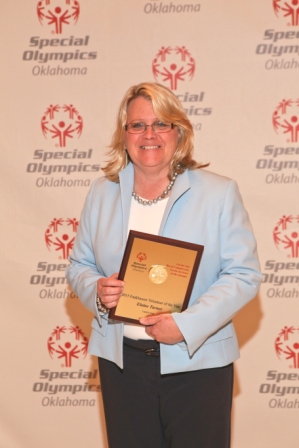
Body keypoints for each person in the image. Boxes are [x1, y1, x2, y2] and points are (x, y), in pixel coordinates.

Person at [66, 82, 262, 448]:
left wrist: (186, 326)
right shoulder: (101, 192)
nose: (149, 135)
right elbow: (80, 264)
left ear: (179, 132)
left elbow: (244, 274)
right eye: (137, 125)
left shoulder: (218, 193)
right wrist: (96, 289)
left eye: (161, 124)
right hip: (121, 364)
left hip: (198, 364)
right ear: (124, 135)